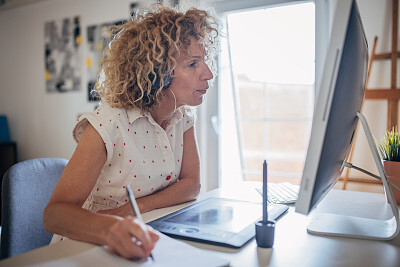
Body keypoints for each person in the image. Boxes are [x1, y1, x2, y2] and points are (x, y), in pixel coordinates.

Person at [43, 3, 219, 260]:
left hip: (142, 234)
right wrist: (113, 225)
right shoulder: (111, 121)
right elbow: (54, 214)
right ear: (158, 72)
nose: (209, 74)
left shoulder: (183, 117)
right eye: (193, 64)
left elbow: (191, 185)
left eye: (204, 61)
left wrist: (130, 211)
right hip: (84, 248)